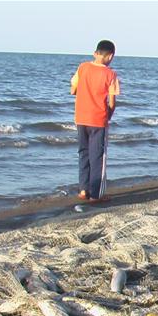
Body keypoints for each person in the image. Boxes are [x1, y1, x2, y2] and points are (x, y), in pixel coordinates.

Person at [70, 40, 120, 202]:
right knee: (98, 157)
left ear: (95, 53)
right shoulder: (110, 74)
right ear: (110, 56)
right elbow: (112, 103)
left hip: (81, 117)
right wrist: (108, 116)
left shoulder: (83, 67)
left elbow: (73, 89)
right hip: (98, 119)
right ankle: (96, 194)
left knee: (83, 153)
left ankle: (83, 189)